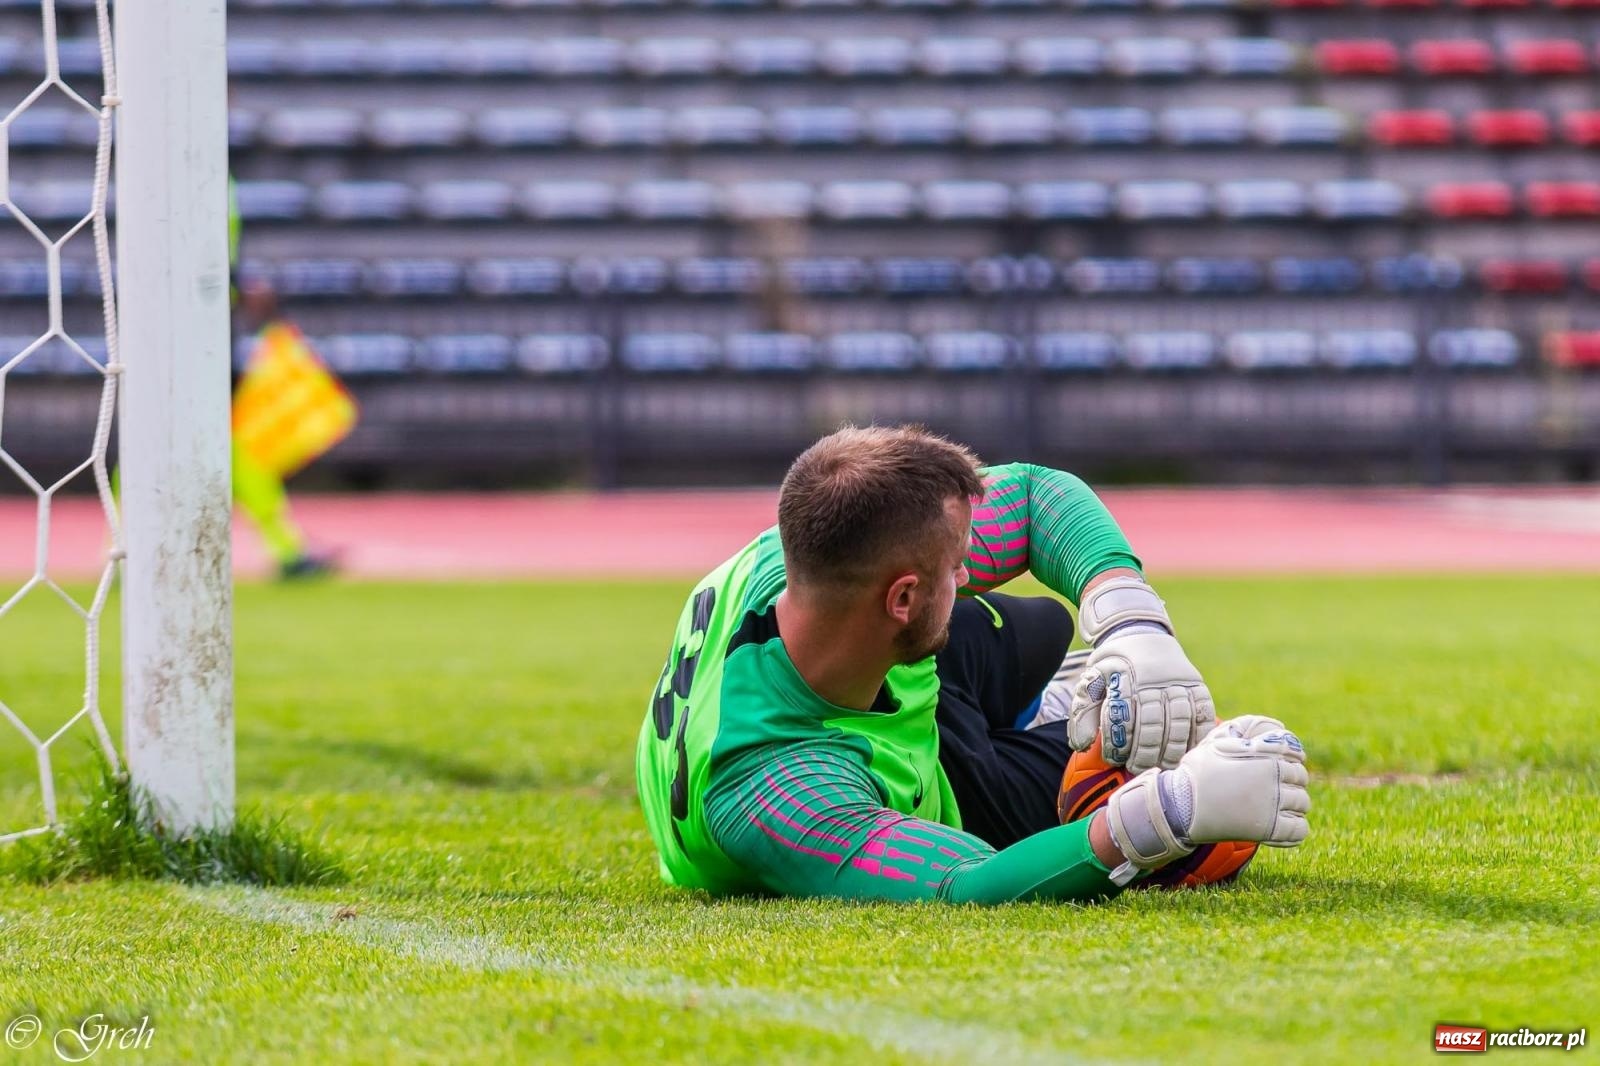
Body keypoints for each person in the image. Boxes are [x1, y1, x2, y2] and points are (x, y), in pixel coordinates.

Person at [636, 425, 1310, 904]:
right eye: (955, 568)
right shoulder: (782, 795)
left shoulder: (819, 554)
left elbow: (1033, 499)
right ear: (901, 596)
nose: (968, 569)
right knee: (1181, 827)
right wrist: (1170, 812)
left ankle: (1055, 693)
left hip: (882, 672)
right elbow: (968, 882)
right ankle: (1060, 725)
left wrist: (1133, 625)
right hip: (898, 783)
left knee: (1039, 623)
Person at [228, 177, 338, 581]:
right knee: (229, 447)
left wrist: (238, 287)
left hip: (211, 329)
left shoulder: (209, 165)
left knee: (230, 446)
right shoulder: (185, 160)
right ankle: (287, 548)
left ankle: (288, 548)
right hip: (188, 332)